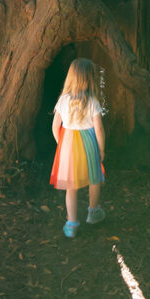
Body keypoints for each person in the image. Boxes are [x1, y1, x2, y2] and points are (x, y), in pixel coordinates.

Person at [50, 57, 106, 238]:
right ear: (90, 78)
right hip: (89, 143)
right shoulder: (92, 101)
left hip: (68, 144)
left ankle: (71, 224)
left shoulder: (63, 100)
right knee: (94, 178)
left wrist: (62, 144)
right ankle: (93, 212)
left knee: (71, 186)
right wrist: (101, 149)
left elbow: (54, 125)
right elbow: (99, 129)